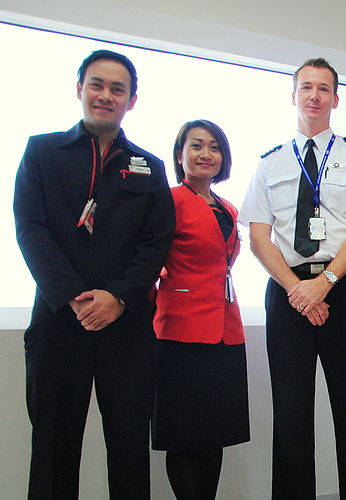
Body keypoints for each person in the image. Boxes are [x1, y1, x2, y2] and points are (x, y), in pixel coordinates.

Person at [13, 49, 175, 499]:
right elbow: (30, 228)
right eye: (97, 85)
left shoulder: (150, 166)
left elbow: (155, 243)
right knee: (52, 445)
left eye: (117, 89)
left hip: (126, 327)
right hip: (58, 322)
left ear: (132, 100)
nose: (106, 95)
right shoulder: (42, 151)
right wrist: (73, 297)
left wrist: (118, 298)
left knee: (127, 447)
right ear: (80, 89)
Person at [238, 58, 346, 500]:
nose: (315, 96)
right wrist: (297, 289)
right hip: (287, 291)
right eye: (307, 88)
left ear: (336, 100)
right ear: (294, 96)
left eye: (324, 89)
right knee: (292, 411)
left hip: (345, 289)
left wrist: (327, 281)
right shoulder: (270, 162)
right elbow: (258, 235)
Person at [152, 120, 249, 500]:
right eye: (196, 146)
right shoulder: (168, 199)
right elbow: (150, 258)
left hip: (225, 328)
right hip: (179, 328)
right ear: (180, 155)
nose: (205, 154)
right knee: (182, 433)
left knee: (214, 431)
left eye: (214, 147)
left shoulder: (228, 207)